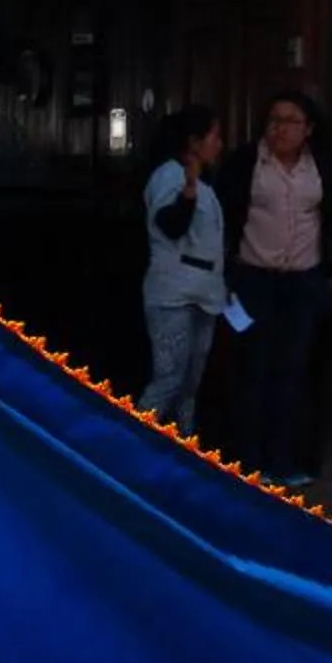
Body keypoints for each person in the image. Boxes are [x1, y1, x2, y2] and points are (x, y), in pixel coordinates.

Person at [218, 89, 332, 484]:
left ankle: (286, 461)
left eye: (290, 121)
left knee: (294, 370)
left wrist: (329, 273)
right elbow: (226, 214)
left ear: (308, 129)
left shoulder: (320, 166)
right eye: (274, 120)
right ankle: (251, 463)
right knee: (255, 368)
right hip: (255, 279)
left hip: (303, 280)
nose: (280, 129)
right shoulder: (246, 163)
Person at [140, 104, 229, 432]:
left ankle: (185, 450)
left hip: (204, 292)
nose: (219, 144)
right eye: (214, 136)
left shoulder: (205, 184)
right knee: (168, 380)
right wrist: (188, 192)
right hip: (175, 293)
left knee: (189, 385)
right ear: (194, 142)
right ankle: (133, 446)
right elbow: (170, 223)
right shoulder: (170, 175)